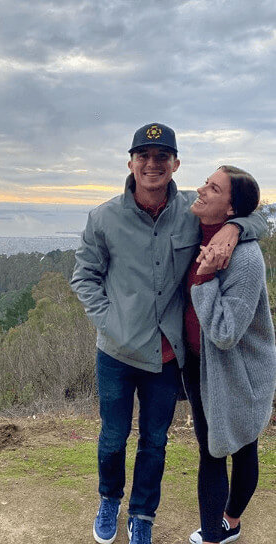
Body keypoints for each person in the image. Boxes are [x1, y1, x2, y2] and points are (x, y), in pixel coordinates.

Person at [70, 123, 266, 544]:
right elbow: (83, 277)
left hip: (166, 357)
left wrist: (237, 228)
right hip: (117, 353)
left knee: (154, 442)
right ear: (131, 163)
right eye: (144, 155)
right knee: (112, 438)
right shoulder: (103, 217)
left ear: (176, 164)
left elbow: (252, 217)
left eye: (162, 157)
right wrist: (110, 322)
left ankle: (142, 514)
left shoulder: (190, 212)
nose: (153, 164)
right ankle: (109, 499)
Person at [183, 165, 276, 544]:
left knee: (236, 446)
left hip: (238, 370)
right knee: (211, 447)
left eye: (213, 187)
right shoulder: (194, 232)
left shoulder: (246, 260)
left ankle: (223, 526)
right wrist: (238, 225)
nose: (201, 189)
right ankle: (217, 529)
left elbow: (223, 334)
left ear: (231, 207)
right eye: (206, 181)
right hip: (198, 364)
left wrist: (204, 279)